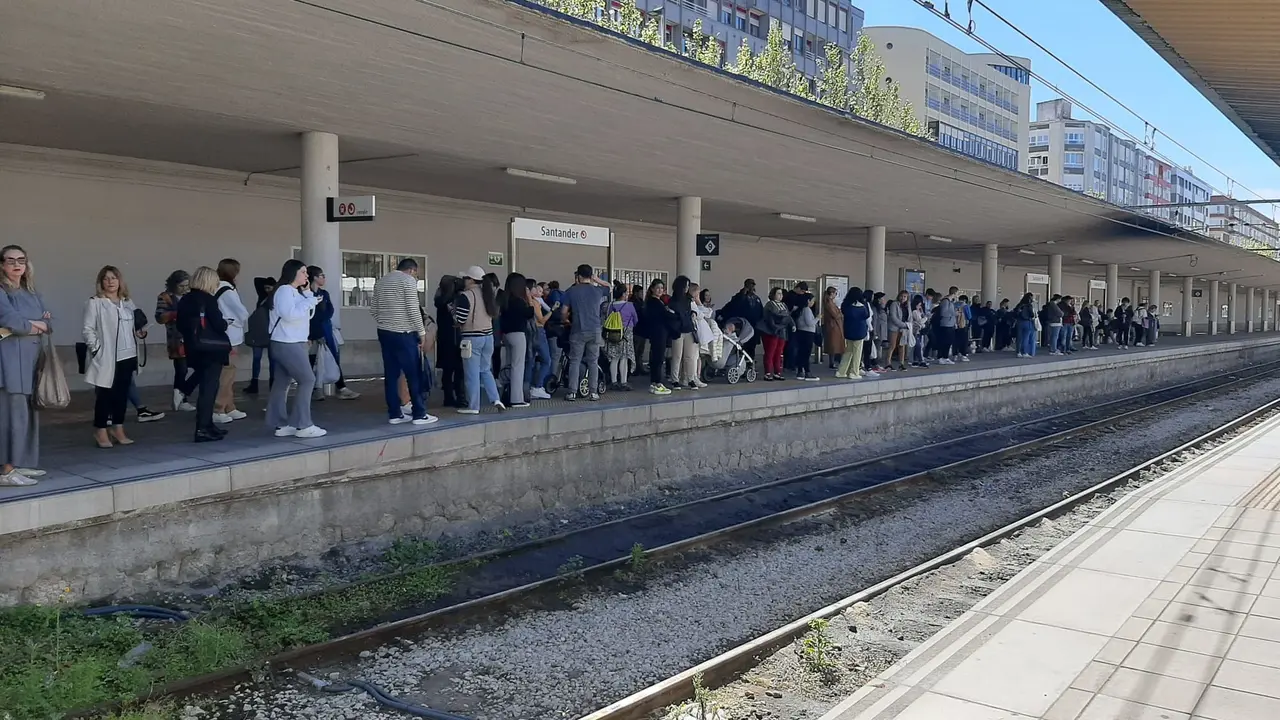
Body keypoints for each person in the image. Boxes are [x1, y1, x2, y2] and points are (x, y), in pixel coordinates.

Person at [0, 245, 50, 486]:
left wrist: (33, 324)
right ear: (1, 265)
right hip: (10, 360)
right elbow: (11, 320)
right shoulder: (2, 291)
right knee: (12, 416)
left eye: (20, 260)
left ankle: (20, 462)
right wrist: (36, 325)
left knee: (29, 414)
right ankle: (7, 469)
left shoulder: (31, 292)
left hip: (31, 359)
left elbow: (51, 320)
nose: (16, 265)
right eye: (10, 261)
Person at [83, 266, 144, 449]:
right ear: (101, 282)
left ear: (120, 281)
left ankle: (118, 427)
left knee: (122, 395)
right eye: (106, 278)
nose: (110, 282)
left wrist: (140, 333)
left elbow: (134, 325)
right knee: (105, 395)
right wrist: (97, 349)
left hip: (129, 354)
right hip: (108, 357)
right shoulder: (95, 303)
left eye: (113, 278)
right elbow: (88, 329)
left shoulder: (127, 302)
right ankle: (100, 429)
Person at [267, 260, 326, 438]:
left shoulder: (294, 291)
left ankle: (280, 423)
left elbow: (306, 311)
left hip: (292, 341)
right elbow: (290, 314)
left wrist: (308, 293)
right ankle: (303, 424)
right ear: (293, 273)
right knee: (307, 379)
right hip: (288, 343)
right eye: (303, 272)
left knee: (282, 382)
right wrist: (310, 302)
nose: (306, 275)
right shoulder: (285, 290)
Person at [371, 258, 434, 425]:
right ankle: (419, 414)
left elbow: (374, 309)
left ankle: (394, 414)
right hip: (404, 333)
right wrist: (421, 332)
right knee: (414, 373)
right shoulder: (408, 281)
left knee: (391, 374)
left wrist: (385, 322)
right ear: (412, 270)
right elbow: (413, 309)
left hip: (384, 332)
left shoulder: (381, 281)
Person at [176, 266, 231, 443]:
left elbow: (180, 325)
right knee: (209, 389)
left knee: (205, 386)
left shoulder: (185, 299)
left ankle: (207, 425)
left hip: (195, 347)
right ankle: (203, 427)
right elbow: (218, 324)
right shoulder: (208, 299)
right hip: (211, 349)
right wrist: (225, 323)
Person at [453, 266, 504, 413]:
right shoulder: (487, 294)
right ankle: (496, 399)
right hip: (488, 337)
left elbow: (460, 319)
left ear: (470, 280)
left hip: (472, 339)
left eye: (465, 278)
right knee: (486, 370)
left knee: (472, 373)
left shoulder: (466, 296)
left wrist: (452, 312)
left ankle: (473, 406)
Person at [306, 265, 359, 403]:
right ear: (315, 277)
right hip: (311, 332)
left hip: (326, 330)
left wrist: (322, 315)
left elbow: (330, 310)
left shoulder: (324, 294)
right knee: (312, 361)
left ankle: (340, 387)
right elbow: (310, 315)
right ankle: (314, 389)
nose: (324, 278)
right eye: (321, 275)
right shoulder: (306, 294)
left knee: (333, 357)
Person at [563, 264, 612, 400]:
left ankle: (572, 392)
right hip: (595, 330)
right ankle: (593, 392)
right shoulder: (597, 291)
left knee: (575, 361)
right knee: (593, 362)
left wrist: (566, 320)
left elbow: (563, 312)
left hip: (578, 330)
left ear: (578, 276)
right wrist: (596, 279)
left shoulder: (571, 291)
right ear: (591, 276)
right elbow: (609, 286)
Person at [211, 259, 251, 424]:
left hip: (225, 335)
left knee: (229, 373)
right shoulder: (226, 290)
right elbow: (242, 312)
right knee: (227, 373)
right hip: (229, 336)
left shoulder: (216, 287)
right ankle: (219, 408)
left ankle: (229, 405)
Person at [156, 270, 196, 411]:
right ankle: (181, 399)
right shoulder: (165, 297)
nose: (185, 289)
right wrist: (176, 314)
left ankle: (181, 394)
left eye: (187, 285)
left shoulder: (191, 296)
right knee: (181, 369)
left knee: (198, 367)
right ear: (174, 285)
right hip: (176, 338)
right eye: (182, 286)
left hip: (192, 336)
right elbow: (159, 317)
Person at [498, 272, 534, 408]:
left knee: (508, 366)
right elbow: (530, 313)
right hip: (518, 335)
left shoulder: (504, 300)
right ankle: (516, 399)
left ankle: (506, 395)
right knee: (518, 367)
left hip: (506, 336)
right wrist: (529, 298)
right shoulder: (519, 301)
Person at [434, 275, 465, 408]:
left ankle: (448, 398)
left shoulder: (440, 300)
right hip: (455, 339)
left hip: (443, 338)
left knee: (447, 371)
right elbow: (458, 320)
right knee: (459, 370)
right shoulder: (453, 301)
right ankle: (460, 397)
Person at [665, 275, 699, 391]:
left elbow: (690, 311)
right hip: (678, 331)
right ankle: (675, 380)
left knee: (689, 356)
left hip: (688, 329)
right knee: (677, 356)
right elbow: (671, 315)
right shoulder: (672, 300)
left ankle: (691, 379)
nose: (687, 288)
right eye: (686, 286)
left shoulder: (688, 299)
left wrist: (693, 313)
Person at [604, 283, 639, 391]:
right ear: (623, 294)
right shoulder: (630, 305)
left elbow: (607, 318)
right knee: (624, 358)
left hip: (613, 333)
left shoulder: (611, 305)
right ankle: (623, 382)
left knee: (614, 358)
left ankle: (614, 382)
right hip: (626, 333)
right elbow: (636, 319)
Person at [720, 279, 763, 361]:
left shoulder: (756, 298)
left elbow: (761, 311)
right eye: (750, 285)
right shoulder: (739, 296)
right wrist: (742, 294)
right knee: (742, 345)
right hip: (742, 326)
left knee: (752, 346)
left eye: (753, 285)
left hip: (753, 326)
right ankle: (740, 363)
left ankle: (750, 362)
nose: (752, 287)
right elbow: (733, 306)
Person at [246, 275, 276, 394]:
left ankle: (271, 383)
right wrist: (272, 284)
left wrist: (275, 287)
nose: (267, 290)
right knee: (257, 359)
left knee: (271, 360)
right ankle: (254, 383)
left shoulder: (275, 298)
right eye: (266, 288)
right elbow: (256, 280)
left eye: (269, 288)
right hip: (261, 332)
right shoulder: (263, 296)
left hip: (269, 333)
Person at [642, 278, 673, 395]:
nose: (660, 290)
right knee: (658, 358)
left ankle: (655, 383)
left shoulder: (655, 302)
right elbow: (665, 315)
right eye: (658, 288)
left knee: (656, 357)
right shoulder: (654, 302)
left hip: (657, 333)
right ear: (652, 289)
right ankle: (657, 383)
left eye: (662, 288)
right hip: (658, 332)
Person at [758, 287, 793, 381]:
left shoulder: (784, 305)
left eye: (781, 294)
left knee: (779, 352)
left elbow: (788, 316)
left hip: (782, 332)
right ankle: (768, 372)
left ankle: (777, 372)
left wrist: (792, 324)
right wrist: (783, 318)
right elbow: (773, 316)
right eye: (778, 293)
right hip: (772, 331)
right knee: (770, 352)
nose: (780, 296)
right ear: (773, 295)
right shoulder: (770, 304)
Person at [835, 287, 871, 380]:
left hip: (848, 331)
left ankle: (841, 371)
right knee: (857, 353)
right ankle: (854, 372)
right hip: (859, 332)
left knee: (848, 352)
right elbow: (867, 315)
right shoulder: (862, 306)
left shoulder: (845, 305)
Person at [527, 279, 553, 400]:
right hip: (539, 331)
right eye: (535, 288)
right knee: (546, 360)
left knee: (530, 362)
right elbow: (541, 320)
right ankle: (537, 387)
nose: (539, 291)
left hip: (529, 333)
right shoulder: (535, 303)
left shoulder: (526, 302)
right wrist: (552, 311)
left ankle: (528, 387)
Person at [886, 290, 910, 370]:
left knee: (902, 346)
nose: (903, 298)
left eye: (905, 296)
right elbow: (893, 317)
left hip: (904, 329)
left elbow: (909, 316)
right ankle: (888, 363)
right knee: (892, 345)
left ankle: (901, 364)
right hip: (894, 328)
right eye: (902, 296)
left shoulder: (908, 305)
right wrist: (903, 325)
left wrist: (908, 324)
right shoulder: (894, 304)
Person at [822, 287, 843, 370]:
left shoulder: (830, 302)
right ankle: (832, 362)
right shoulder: (829, 303)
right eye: (835, 293)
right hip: (833, 326)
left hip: (834, 325)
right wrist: (840, 314)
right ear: (832, 294)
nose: (835, 295)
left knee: (834, 345)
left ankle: (834, 361)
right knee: (833, 345)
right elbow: (835, 315)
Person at [1015, 292, 1038, 358]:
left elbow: (1015, 312)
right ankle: (1024, 352)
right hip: (1027, 322)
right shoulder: (1029, 305)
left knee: (1019, 338)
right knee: (1026, 338)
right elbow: (1032, 314)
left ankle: (1018, 352)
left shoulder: (1020, 304)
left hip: (1019, 322)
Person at [909, 294, 929, 368]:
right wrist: (926, 318)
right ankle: (921, 360)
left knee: (918, 345)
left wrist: (922, 313)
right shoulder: (914, 312)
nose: (920, 306)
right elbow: (920, 321)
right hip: (916, 330)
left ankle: (915, 360)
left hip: (920, 330)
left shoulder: (919, 311)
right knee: (918, 345)